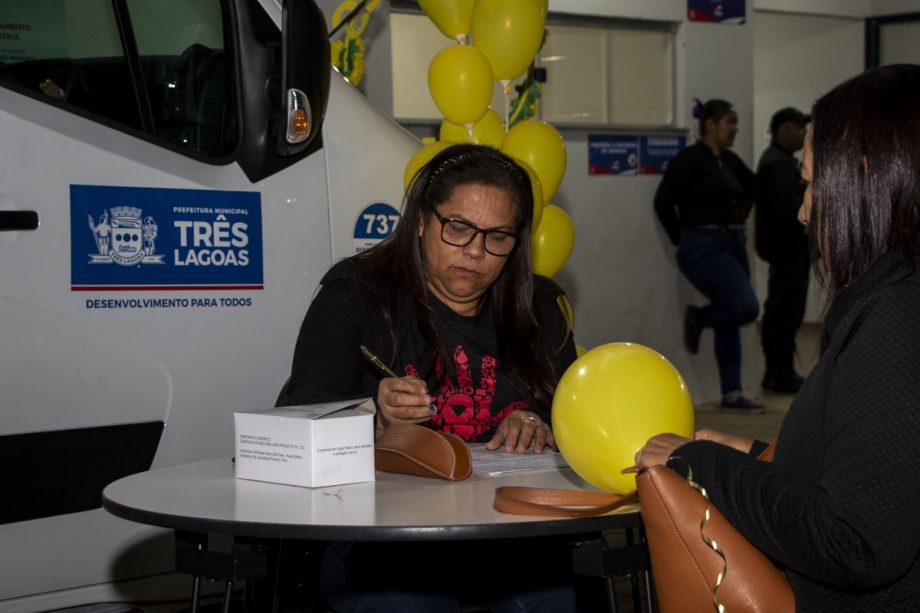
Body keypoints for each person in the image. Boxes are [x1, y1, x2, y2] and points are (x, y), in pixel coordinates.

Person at [631, 64, 920, 611]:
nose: (805, 211)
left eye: (813, 184)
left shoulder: (896, 318)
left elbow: (856, 542)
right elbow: (886, 472)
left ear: (862, 176)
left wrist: (708, 466)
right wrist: (760, 454)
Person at [278, 143, 579, 612]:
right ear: (420, 219)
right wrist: (374, 414)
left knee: (551, 599)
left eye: (497, 237)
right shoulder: (356, 294)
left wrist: (538, 419)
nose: (475, 252)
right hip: (379, 534)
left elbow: (575, 414)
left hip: (506, 532)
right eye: (458, 228)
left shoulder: (539, 308)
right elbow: (300, 414)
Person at [654, 99, 761, 411]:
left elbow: (753, 185)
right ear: (711, 124)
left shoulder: (729, 160)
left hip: (734, 242)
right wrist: (684, 238)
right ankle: (699, 317)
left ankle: (731, 392)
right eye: (729, 122)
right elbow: (663, 202)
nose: (735, 128)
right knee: (746, 307)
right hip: (704, 245)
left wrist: (742, 211)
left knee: (731, 312)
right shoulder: (689, 159)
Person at [755, 107, 811, 394]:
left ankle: (780, 372)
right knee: (783, 315)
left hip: (788, 253)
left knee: (784, 314)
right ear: (782, 129)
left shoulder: (781, 162)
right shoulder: (777, 165)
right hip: (787, 253)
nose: (804, 133)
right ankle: (779, 374)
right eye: (799, 127)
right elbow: (788, 212)